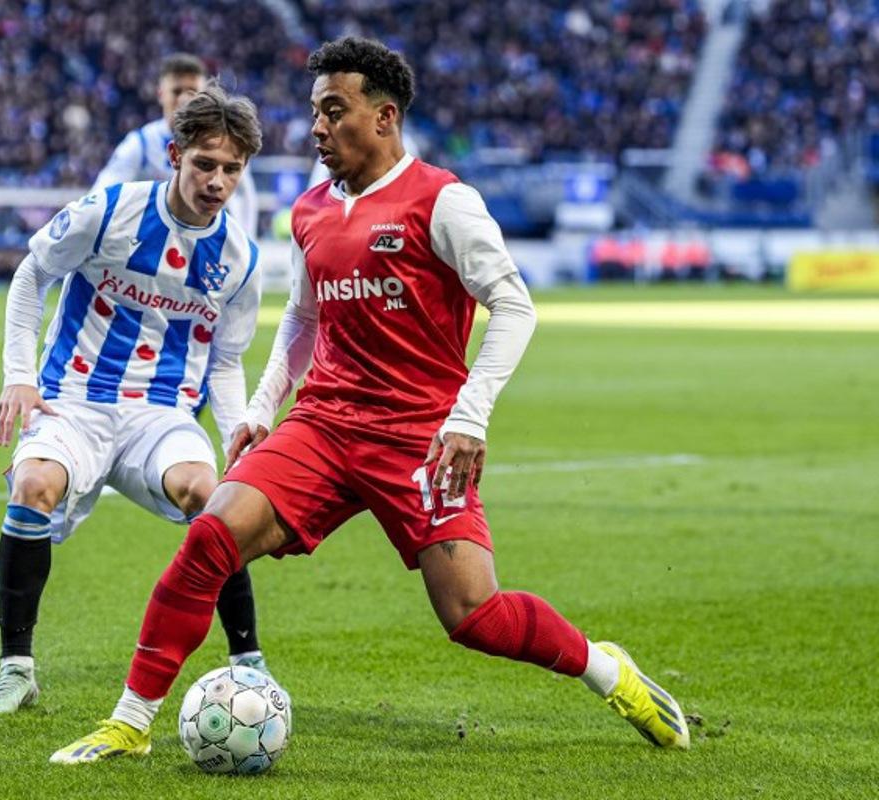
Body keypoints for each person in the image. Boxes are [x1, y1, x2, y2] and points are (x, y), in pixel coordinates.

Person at [53, 37, 690, 764]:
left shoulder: (443, 201)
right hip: (323, 424)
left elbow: (514, 307)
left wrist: (469, 416)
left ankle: (607, 671)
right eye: (315, 112)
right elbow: (302, 319)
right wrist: (261, 408)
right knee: (210, 539)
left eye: (334, 111)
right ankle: (130, 723)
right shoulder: (311, 210)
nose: (317, 128)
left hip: (419, 436)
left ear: (384, 117)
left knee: (474, 615)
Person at [0, 85, 275, 716]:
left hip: (161, 413)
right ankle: (16, 670)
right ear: (175, 155)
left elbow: (224, 360)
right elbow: (32, 273)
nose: (217, 182)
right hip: (73, 398)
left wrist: (238, 430)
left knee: (211, 496)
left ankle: (250, 665)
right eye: (205, 164)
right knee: (33, 485)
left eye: (231, 170)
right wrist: (18, 375)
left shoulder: (241, 260)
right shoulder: (109, 210)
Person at [94, 53, 259, 240]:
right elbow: (101, 195)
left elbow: (245, 196)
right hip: (148, 242)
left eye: (192, 91)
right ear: (161, 94)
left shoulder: (224, 144)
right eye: (177, 91)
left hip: (203, 243)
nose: (184, 99)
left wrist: (248, 240)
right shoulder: (141, 144)